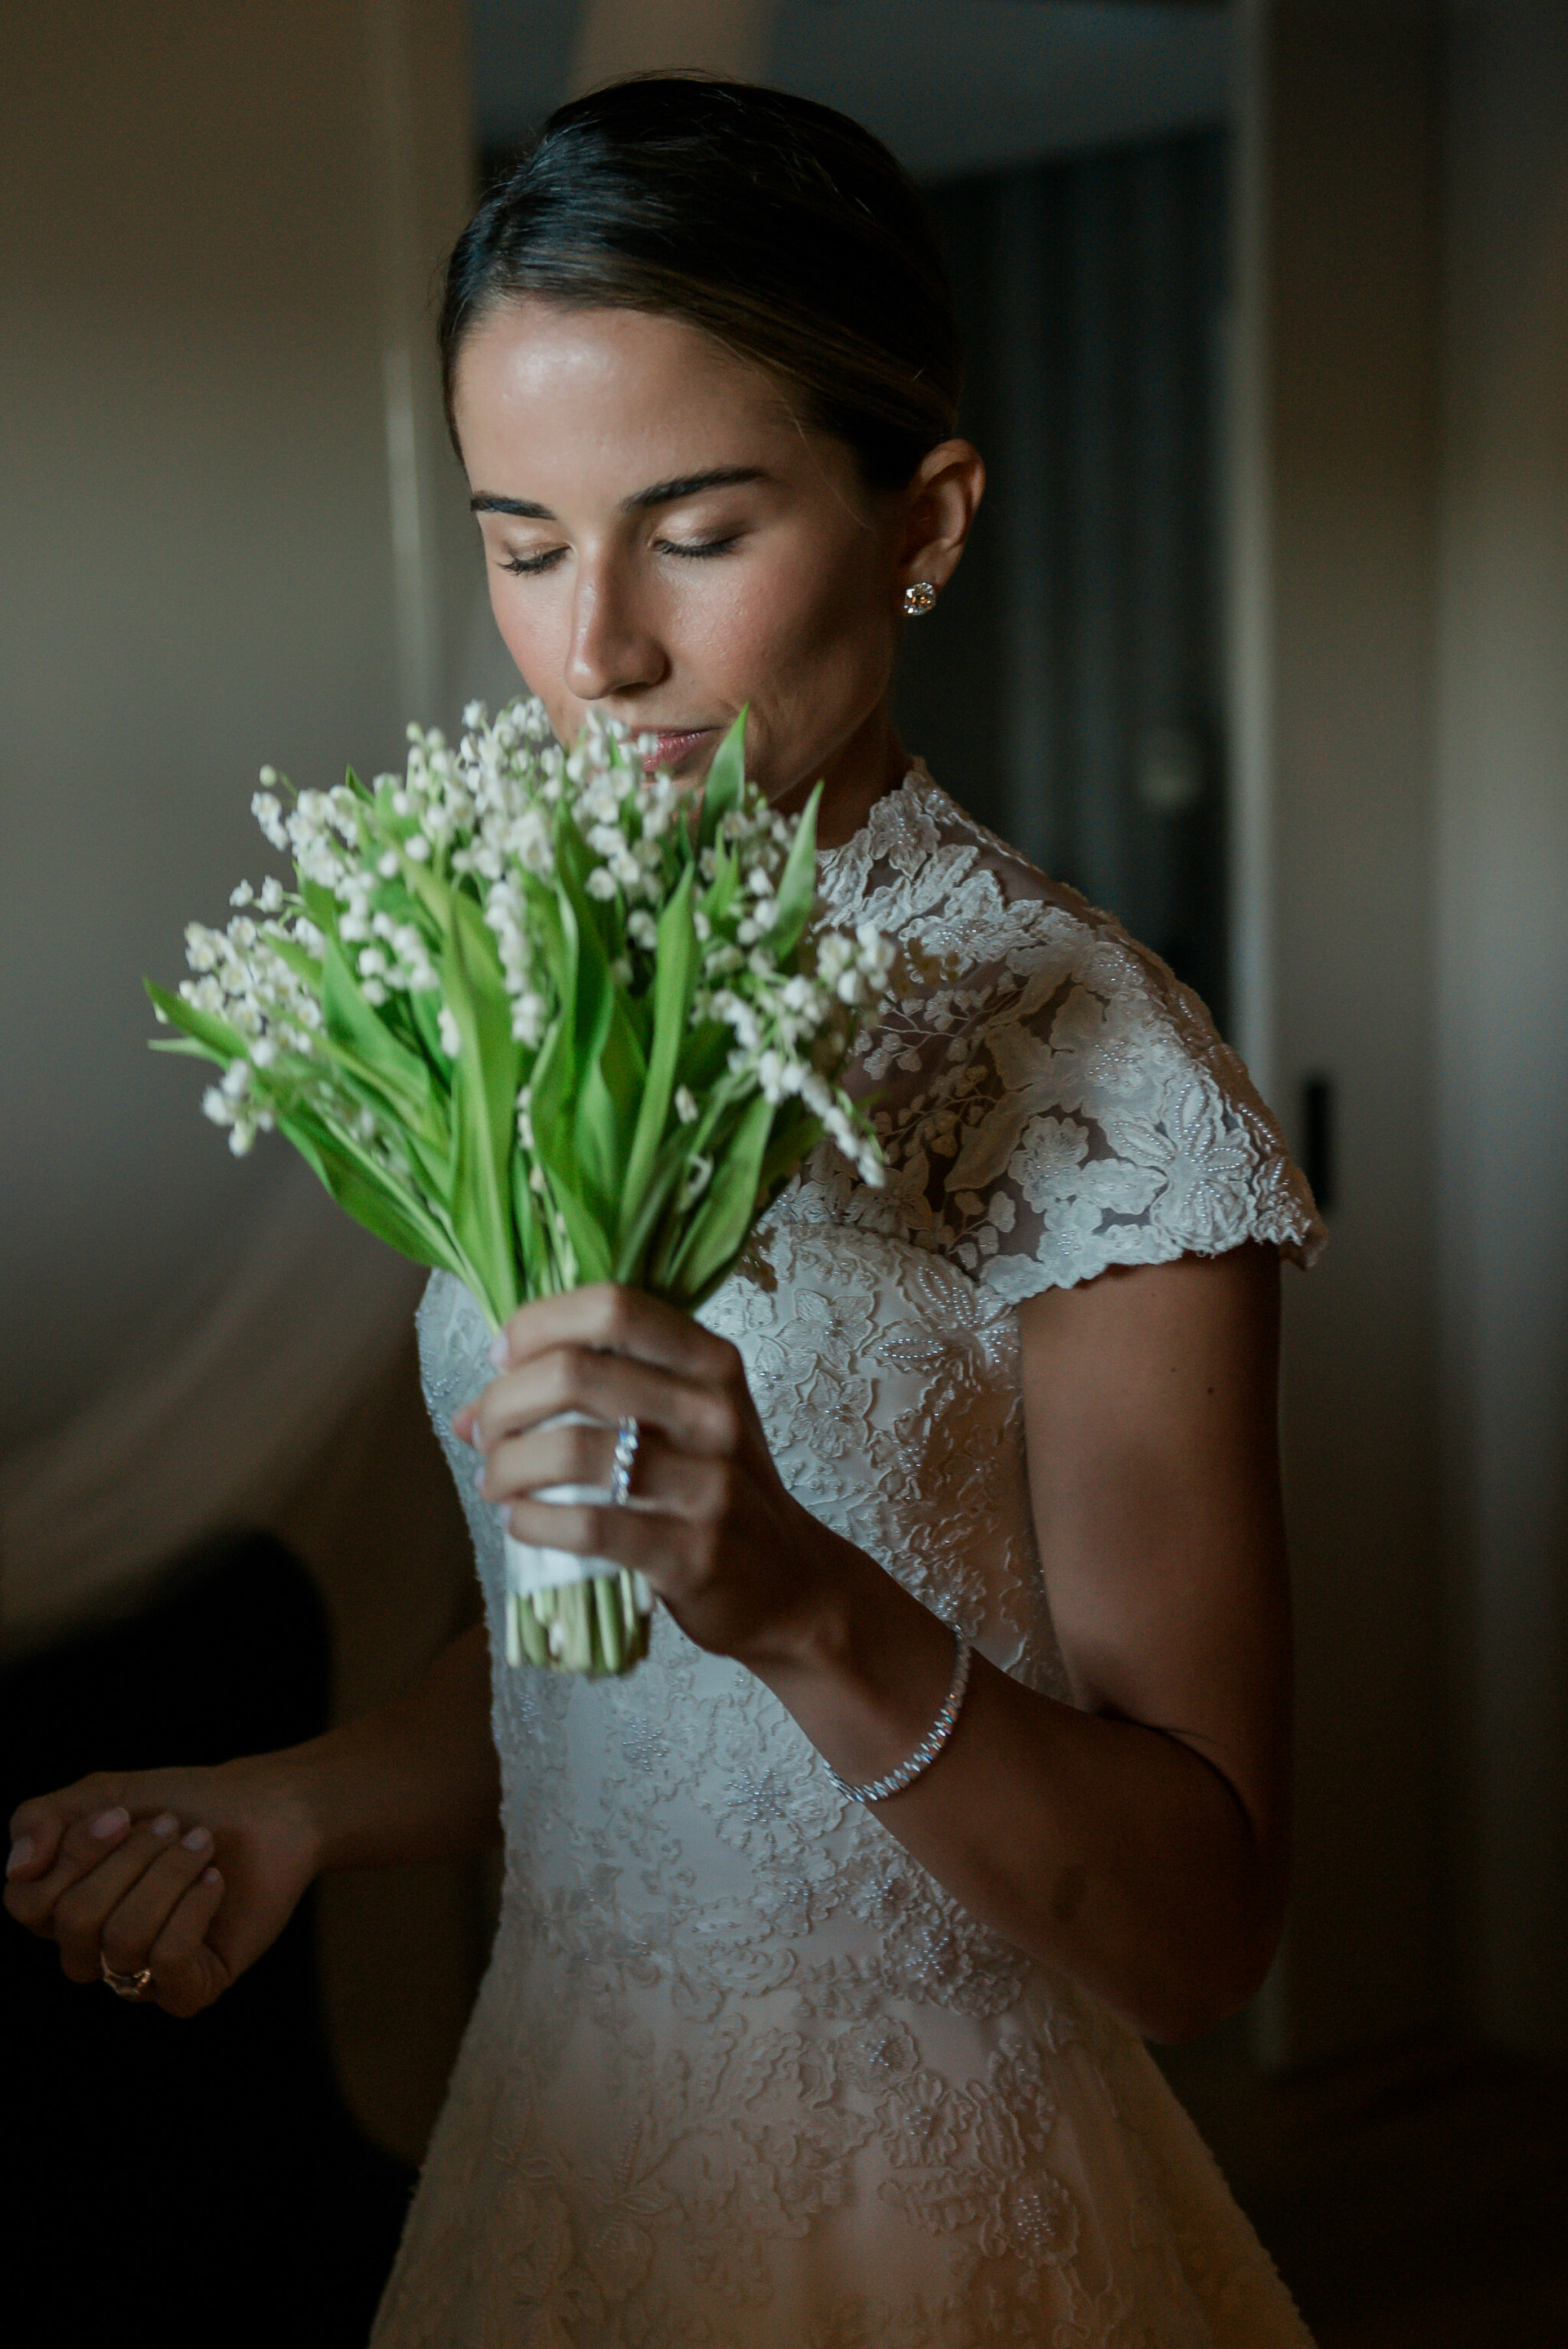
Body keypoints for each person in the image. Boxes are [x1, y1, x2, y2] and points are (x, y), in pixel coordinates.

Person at [6, 78, 1325, 2346]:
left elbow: (1199, 1938)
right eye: (524, 540)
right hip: (559, 2147)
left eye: (693, 532)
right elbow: (589, 1660)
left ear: (923, 517)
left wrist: (803, 1595)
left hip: (928, 2213)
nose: (593, 646)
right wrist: (300, 1801)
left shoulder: (1097, 1074)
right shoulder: (527, 989)